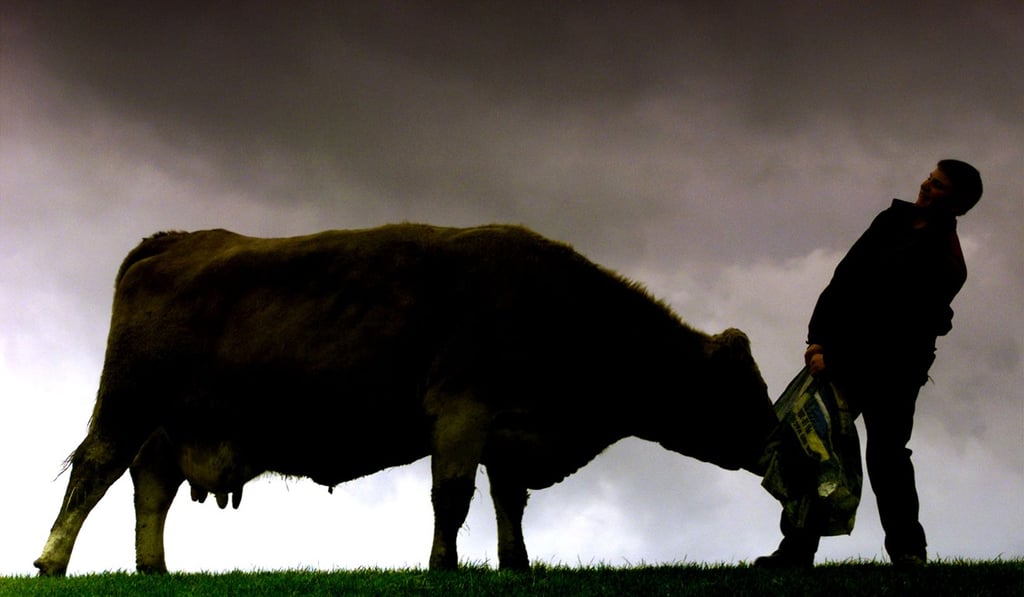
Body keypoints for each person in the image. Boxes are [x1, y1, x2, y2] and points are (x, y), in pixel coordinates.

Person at [756, 159, 983, 569]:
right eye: (929, 179)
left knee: (887, 456)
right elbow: (845, 279)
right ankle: (795, 550)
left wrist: (833, 354)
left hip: (894, 370)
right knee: (813, 448)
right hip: (837, 356)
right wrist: (817, 340)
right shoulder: (891, 220)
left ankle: (908, 552)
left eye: (939, 187)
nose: (926, 187)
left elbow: (899, 320)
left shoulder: (947, 259)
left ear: (959, 204)